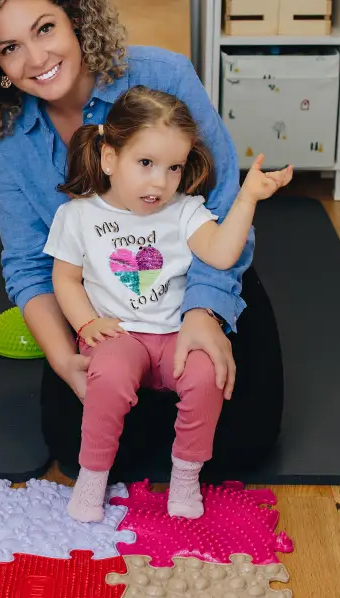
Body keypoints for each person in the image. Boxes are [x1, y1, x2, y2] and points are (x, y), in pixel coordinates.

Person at [0, 0, 285, 483]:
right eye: (10, 48)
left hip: (198, 276)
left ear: (74, 17)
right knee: (77, 454)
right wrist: (63, 359)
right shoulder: (9, 133)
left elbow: (221, 204)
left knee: (241, 449)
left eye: (45, 28)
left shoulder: (164, 75)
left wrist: (203, 313)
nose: (35, 58)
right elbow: (28, 263)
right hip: (104, 312)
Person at [46, 86, 291, 522]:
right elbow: (65, 279)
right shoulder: (78, 215)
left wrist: (247, 199)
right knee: (108, 375)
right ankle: (92, 478)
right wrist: (85, 324)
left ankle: (185, 477)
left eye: (173, 167)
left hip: (176, 335)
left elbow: (221, 254)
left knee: (208, 373)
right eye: (146, 163)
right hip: (120, 334)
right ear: (109, 158)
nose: (160, 182)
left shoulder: (184, 210)